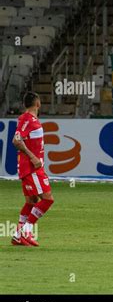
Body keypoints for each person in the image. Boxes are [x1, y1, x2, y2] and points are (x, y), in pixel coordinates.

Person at [11, 92, 55, 247]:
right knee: (48, 199)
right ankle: (25, 230)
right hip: (31, 167)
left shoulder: (32, 120)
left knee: (32, 200)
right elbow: (16, 140)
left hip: (31, 167)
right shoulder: (27, 119)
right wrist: (33, 157)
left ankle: (17, 235)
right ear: (38, 103)